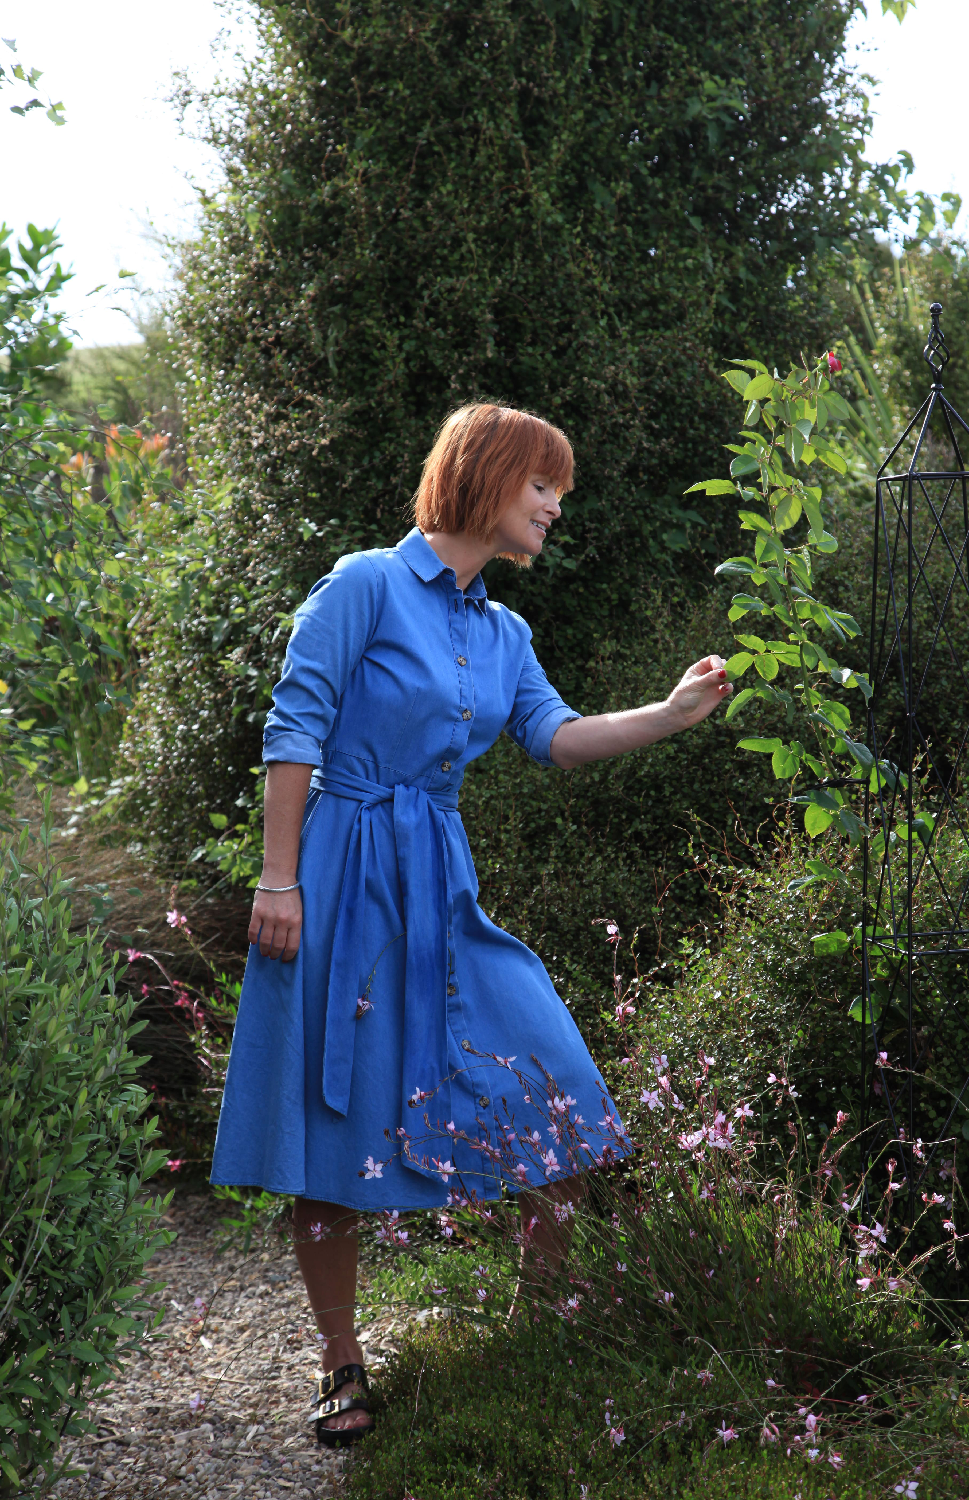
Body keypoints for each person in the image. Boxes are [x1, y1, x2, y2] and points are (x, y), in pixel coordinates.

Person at [209, 403, 732, 1448]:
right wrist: (278, 882)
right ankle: (340, 1367)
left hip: (439, 883)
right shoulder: (363, 585)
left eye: (558, 494)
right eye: (543, 486)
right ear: (487, 478)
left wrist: (670, 714)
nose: (552, 508)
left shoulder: (505, 632)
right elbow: (294, 726)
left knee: (557, 1082)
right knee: (326, 1129)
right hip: (337, 871)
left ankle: (534, 1327)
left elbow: (556, 737)